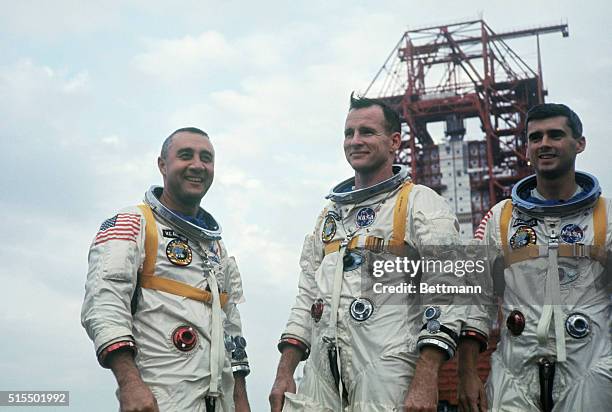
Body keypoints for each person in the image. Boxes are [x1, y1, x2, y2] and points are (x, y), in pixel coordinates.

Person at [269, 94, 466, 412]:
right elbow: (307, 296)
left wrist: (426, 378)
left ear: (394, 141)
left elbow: (450, 291)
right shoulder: (329, 216)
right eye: (349, 133)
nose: (355, 141)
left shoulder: (419, 203)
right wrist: (284, 372)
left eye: (367, 132)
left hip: (388, 368)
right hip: (321, 371)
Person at [81, 127, 251, 412]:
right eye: (186, 156)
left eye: (206, 158)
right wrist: (129, 384)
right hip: (160, 400)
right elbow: (103, 303)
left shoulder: (216, 248)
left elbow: (231, 324)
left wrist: (240, 396)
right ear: (162, 164)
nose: (197, 165)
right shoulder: (133, 223)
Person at [457, 103, 612, 411]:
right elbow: (476, 300)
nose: (545, 144)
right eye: (535, 137)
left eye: (555, 135)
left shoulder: (606, 216)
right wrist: (467, 374)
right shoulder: (501, 218)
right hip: (515, 371)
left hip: (591, 364)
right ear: (526, 148)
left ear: (579, 143)